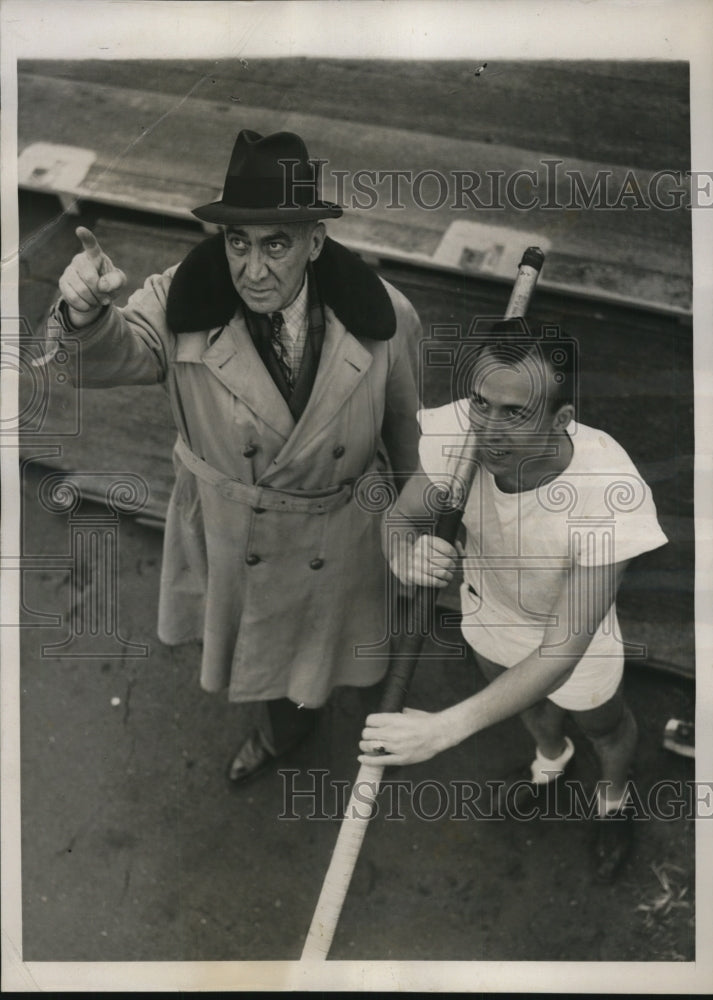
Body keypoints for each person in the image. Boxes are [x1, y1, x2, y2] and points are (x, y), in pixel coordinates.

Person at [47, 128, 421, 783]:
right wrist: (86, 317)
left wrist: (415, 525)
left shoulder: (387, 317)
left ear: (314, 240)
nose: (252, 270)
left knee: (353, 648)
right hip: (234, 527)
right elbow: (108, 357)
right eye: (237, 243)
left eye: (276, 244)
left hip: (342, 527)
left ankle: (371, 723)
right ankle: (283, 732)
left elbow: (405, 433)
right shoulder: (178, 303)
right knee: (266, 647)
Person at [358, 324, 668, 881]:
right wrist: (403, 553)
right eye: (482, 402)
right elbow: (401, 519)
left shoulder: (607, 495)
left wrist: (444, 730)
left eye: (515, 413)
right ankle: (551, 764)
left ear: (561, 419)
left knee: (605, 726)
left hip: (572, 642)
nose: (488, 430)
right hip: (488, 612)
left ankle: (614, 799)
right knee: (528, 709)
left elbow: (559, 652)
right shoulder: (460, 429)